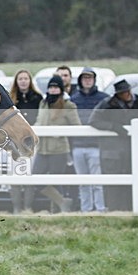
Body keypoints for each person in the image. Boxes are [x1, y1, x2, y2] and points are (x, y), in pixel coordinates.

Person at [89, 80, 138, 211]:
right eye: (123, 93)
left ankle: (133, 208)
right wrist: (113, 127)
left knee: (135, 179)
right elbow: (94, 121)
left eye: (127, 91)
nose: (126, 94)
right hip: (113, 150)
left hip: (134, 150)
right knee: (113, 182)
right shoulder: (107, 104)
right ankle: (114, 209)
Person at [31, 75, 80, 213]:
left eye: (56, 87)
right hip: (42, 149)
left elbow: (77, 126)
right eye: (51, 87)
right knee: (36, 178)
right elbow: (39, 121)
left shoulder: (69, 106)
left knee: (55, 182)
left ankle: (56, 211)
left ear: (61, 89)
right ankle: (63, 202)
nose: (53, 90)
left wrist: (60, 132)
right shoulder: (43, 103)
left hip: (59, 150)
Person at [69, 67, 109, 212]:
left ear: (94, 80)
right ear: (80, 80)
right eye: (84, 78)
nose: (87, 81)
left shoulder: (103, 98)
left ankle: (100, 208)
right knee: (82, 181)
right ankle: (85, 209)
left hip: (96, 145)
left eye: (90, 78)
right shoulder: (74, 99)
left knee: (97, 180)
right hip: (77, 145)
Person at [8, 69, 42, 212]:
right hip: (14, 143)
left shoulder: (38, 98)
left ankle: (28, 207)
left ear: (30, 81)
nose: (23, 81)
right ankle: (16, 207)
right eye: (20, 78)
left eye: (25, 78)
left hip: (30, 142)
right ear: (16, 81)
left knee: (29, 175)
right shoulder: (10, 99)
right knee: (14, 176)